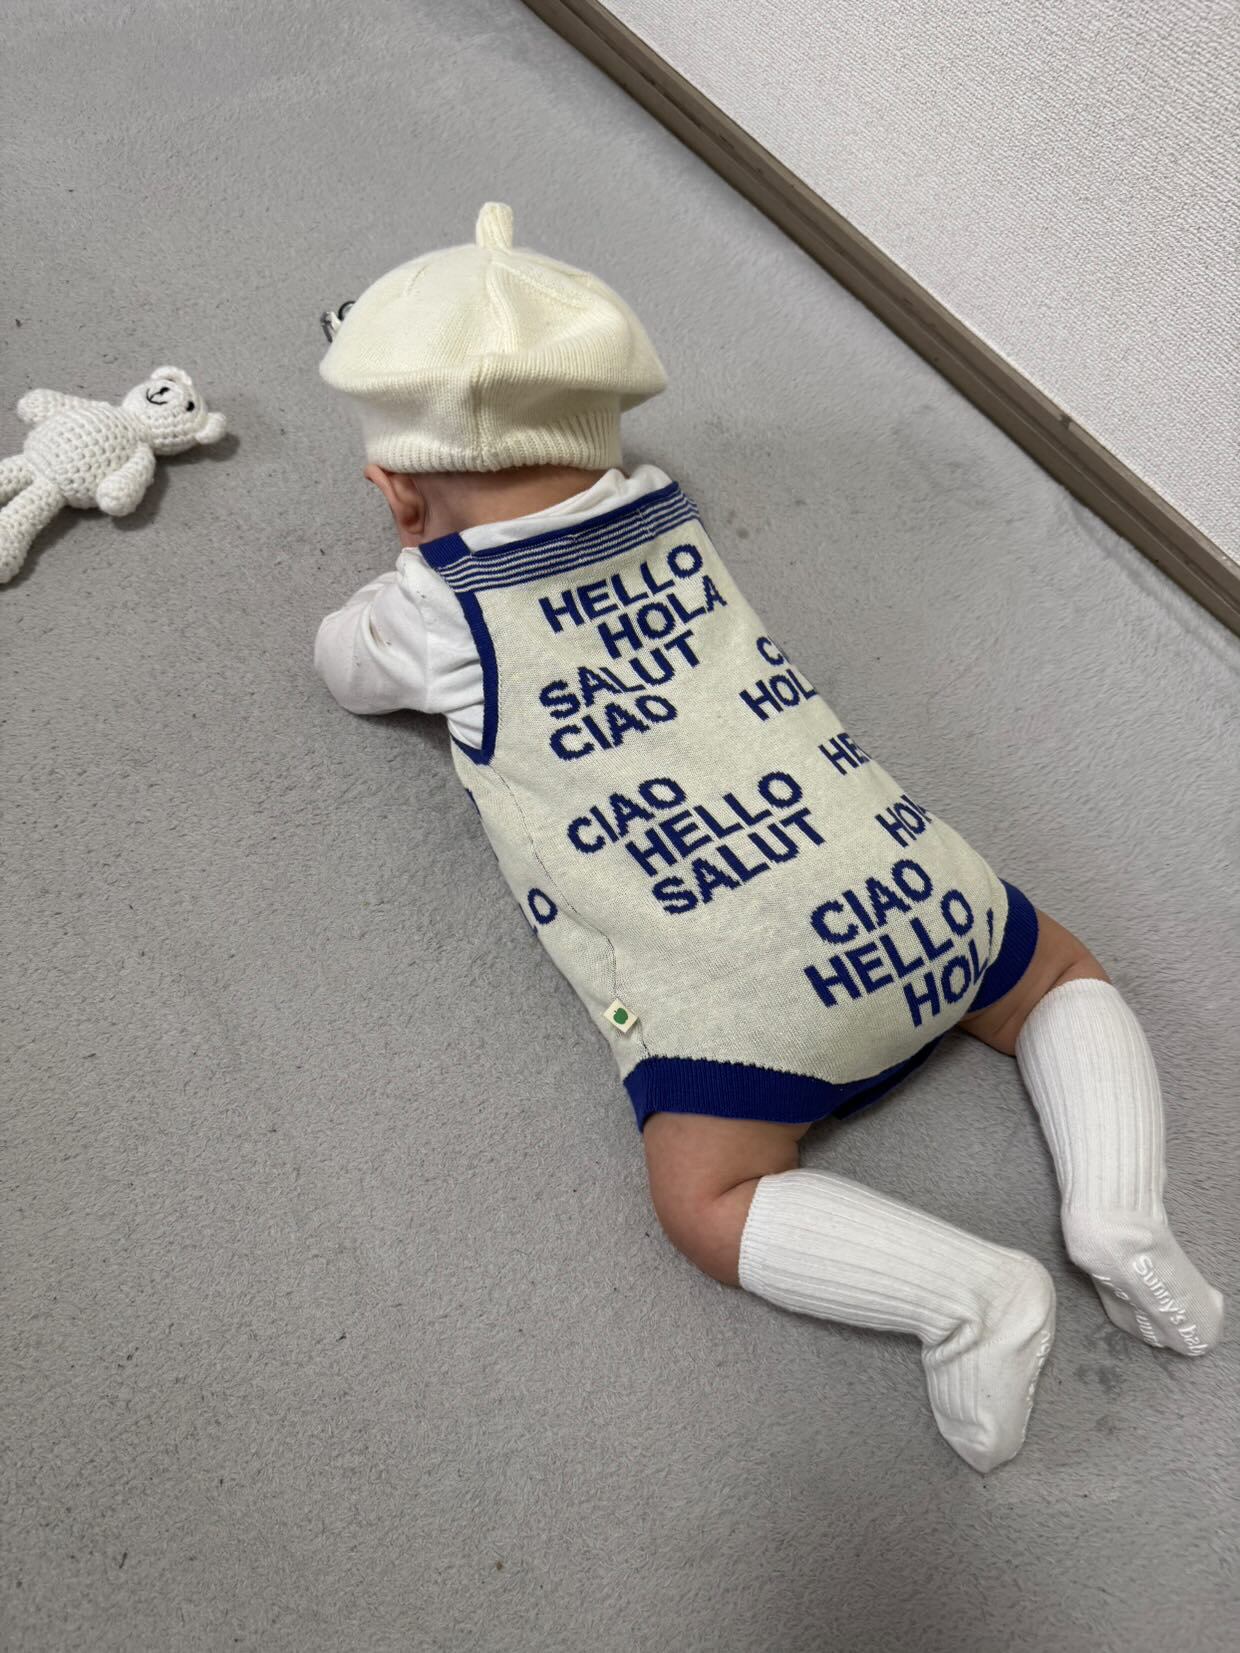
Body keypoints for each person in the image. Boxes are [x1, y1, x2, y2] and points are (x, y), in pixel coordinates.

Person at [314, 202, 1224, 1472]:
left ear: (399, 493)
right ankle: (1119, 1213)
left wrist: (399, 579)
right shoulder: (662, 511)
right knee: (1056, 972)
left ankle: (969, 1300)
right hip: (908, 891)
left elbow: (342, 667)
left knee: (705, 1198)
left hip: (746, 1010)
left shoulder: (436, 613)